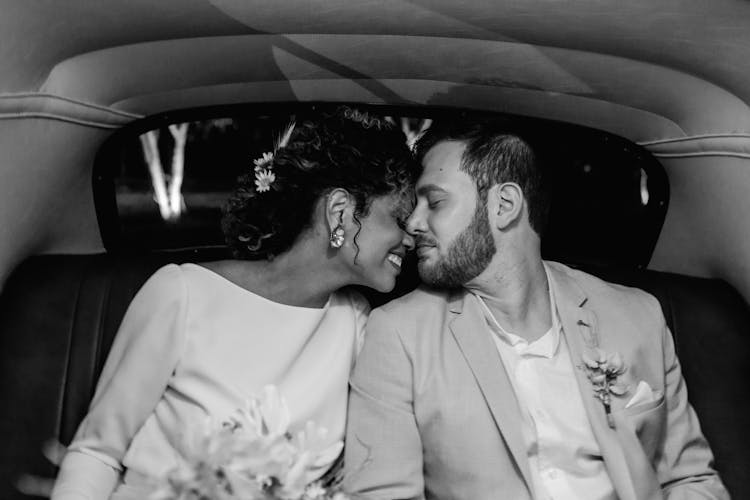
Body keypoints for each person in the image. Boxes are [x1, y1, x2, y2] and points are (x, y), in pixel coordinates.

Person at [344, 121, 729, 500]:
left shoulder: (638, 315)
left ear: (505, 205)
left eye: (436, 201)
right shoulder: (398, 333)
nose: (413, 223)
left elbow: (692, 480)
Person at [51, 108, 416, 500]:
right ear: (339, 211)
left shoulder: (357, 324)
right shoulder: (183, 294)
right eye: (399, 218)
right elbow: (97, 452)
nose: (410, 237)